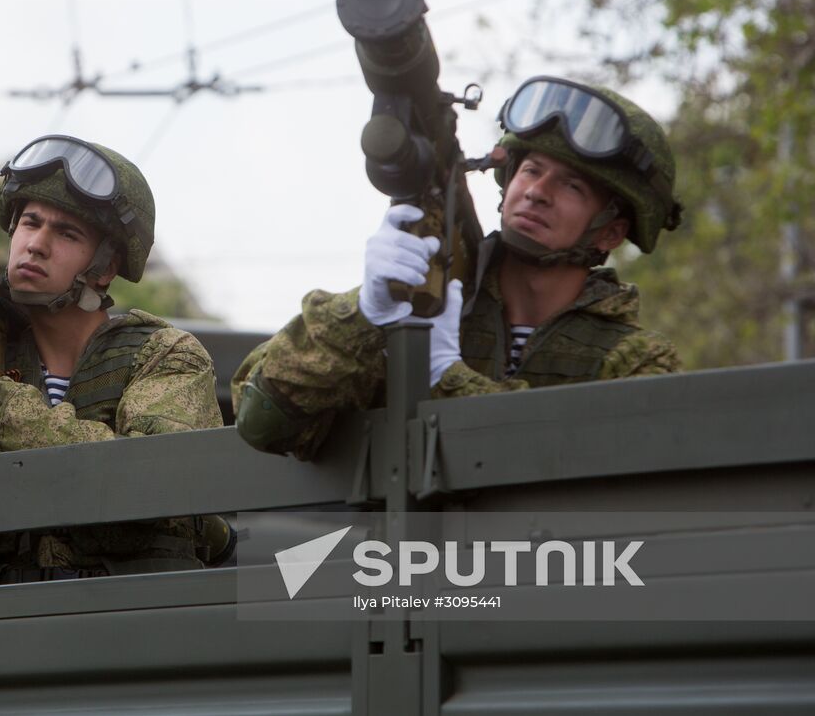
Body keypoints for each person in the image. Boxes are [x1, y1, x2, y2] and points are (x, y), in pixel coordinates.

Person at [234, 77, 684, 459]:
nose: (537, 192)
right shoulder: (427, 306)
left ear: (609, 232)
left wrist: (446, 376)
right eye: (531, 170)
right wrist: (361, 313)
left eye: (571, 186)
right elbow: (261, 420)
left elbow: (580, 467)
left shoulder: (639, 362)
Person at [0, 135, 222, 582]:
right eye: (30, 223)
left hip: (133, 626)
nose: (36, 243)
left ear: (105, 268)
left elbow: (153, 479)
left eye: (67, 233)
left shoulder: (165, 356)